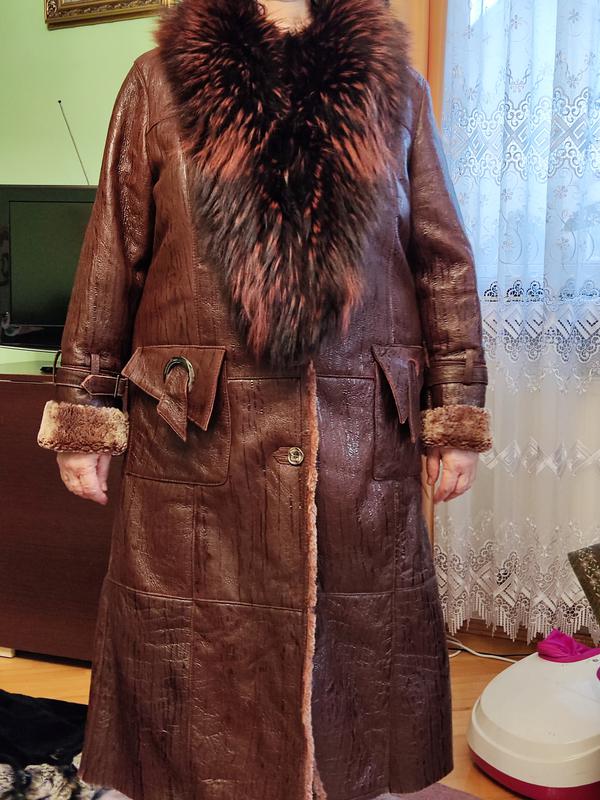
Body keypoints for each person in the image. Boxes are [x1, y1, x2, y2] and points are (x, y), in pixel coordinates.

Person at [36, 1, 492, 799]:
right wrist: (85, 410)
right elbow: (113, 248)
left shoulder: (394, 87)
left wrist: (455, 412)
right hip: (195, 431)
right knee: (194, 656)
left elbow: (441, 260)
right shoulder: (159, 81)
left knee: (353, 656)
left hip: (357, 433)